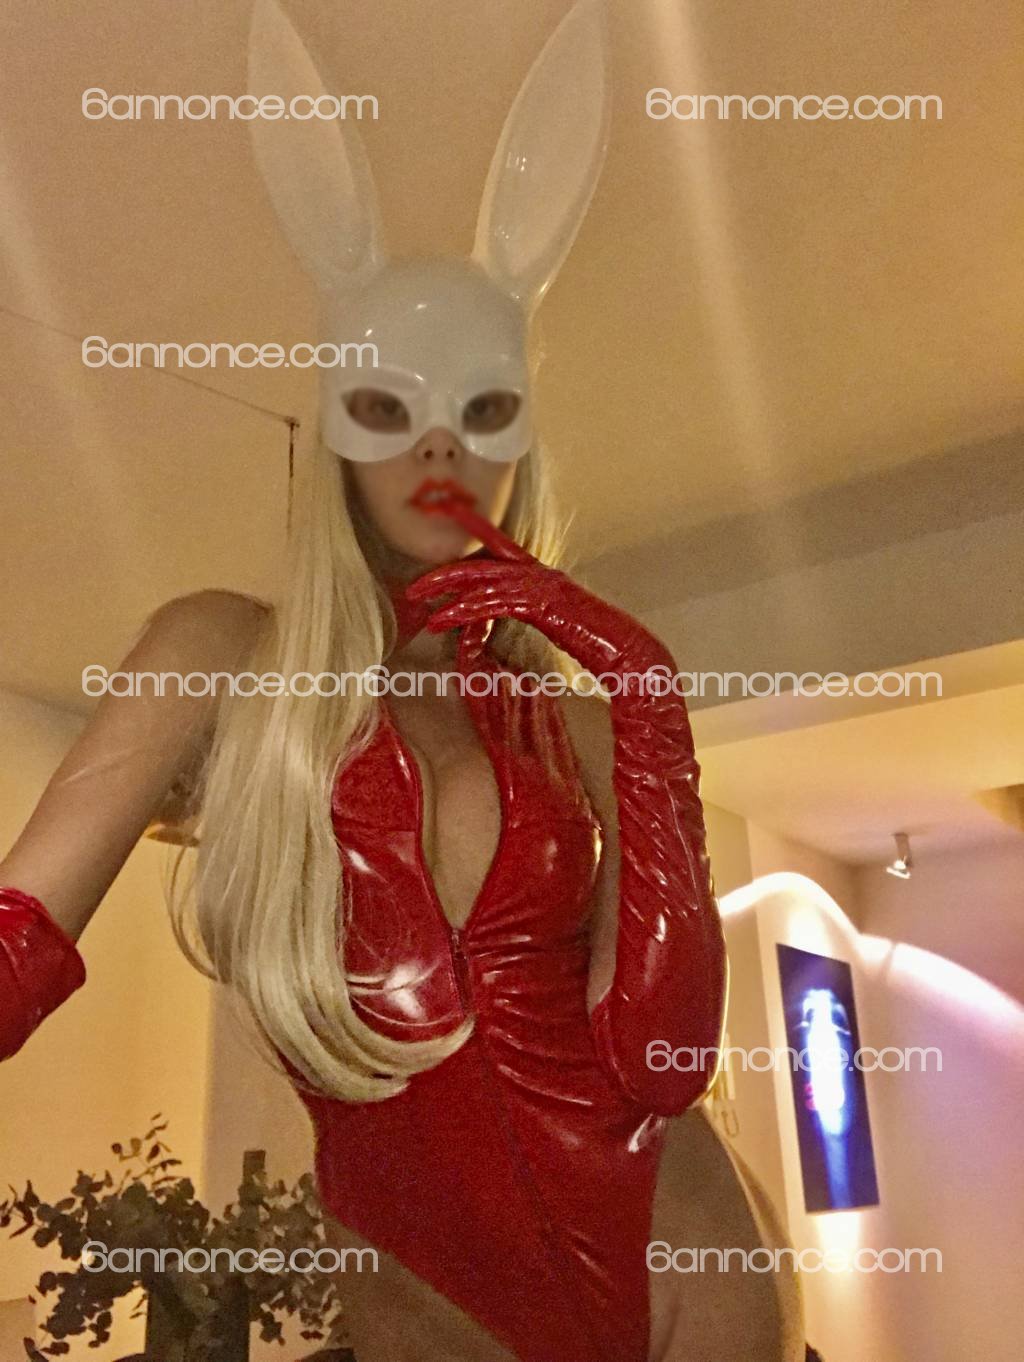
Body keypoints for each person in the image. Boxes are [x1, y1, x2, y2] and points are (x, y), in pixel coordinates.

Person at [1, 2, 806, 1357]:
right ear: (332, 424)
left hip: (689, 1273)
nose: (440, 449)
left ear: (521, 437)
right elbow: (15, 940)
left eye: (482, 410)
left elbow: (664, 1059)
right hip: (427, 1305)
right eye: (389, 406)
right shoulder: (220, 655)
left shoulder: (566, 711)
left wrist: (648, 703)